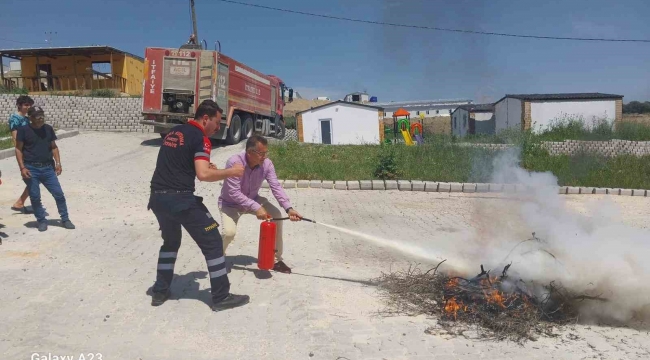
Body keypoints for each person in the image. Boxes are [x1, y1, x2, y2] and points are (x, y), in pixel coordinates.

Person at [147, 99, 249, 312]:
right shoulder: (201, 139)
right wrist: (231, 172)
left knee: (171, 242)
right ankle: (221, 297)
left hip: (157, 199)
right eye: (217, 122)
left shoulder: (175, 133)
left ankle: (160, 290)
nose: (218, 127)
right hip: (181, 200)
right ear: (205, 119)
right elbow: (203, 175)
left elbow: (180, 163)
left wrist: (199, 166)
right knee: (213, 240)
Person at [218, 135, 302, 274]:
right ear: (250, 153)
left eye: (266, 153)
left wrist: (289, 208)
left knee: (276, 215)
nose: (264, 157)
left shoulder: (267, 164)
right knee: (229, 233)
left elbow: (276, 186)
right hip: (230, 203)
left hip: (253, 198)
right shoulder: (234, 162)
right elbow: (234, 193)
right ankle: (217, 260)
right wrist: (257, 207)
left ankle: (275, 260)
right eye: (261, 153)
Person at [15, 106, 75, 232]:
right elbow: (18, 149)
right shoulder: (23, 130)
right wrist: (22, 168)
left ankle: (65, 219)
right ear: (30, 118)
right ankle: (41, 220)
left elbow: (53, 147)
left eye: (42, 114)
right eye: (37, 115)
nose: (41, 118)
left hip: (48, 168)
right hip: (31, 169)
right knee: (35, 197)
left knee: (59, 194)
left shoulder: (48, 129)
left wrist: (58, 163)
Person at [9, 95, 33, 213]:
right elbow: (15, 138)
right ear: (19, 105)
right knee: (32, 178)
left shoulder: (27, 118)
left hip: (31, 150)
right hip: (24, 152)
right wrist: (21, 154)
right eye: (26, 105)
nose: (28, 107)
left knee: (34, 178)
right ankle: (20, 202)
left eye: (29, 105)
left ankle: (21, 202)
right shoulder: (15, 118)